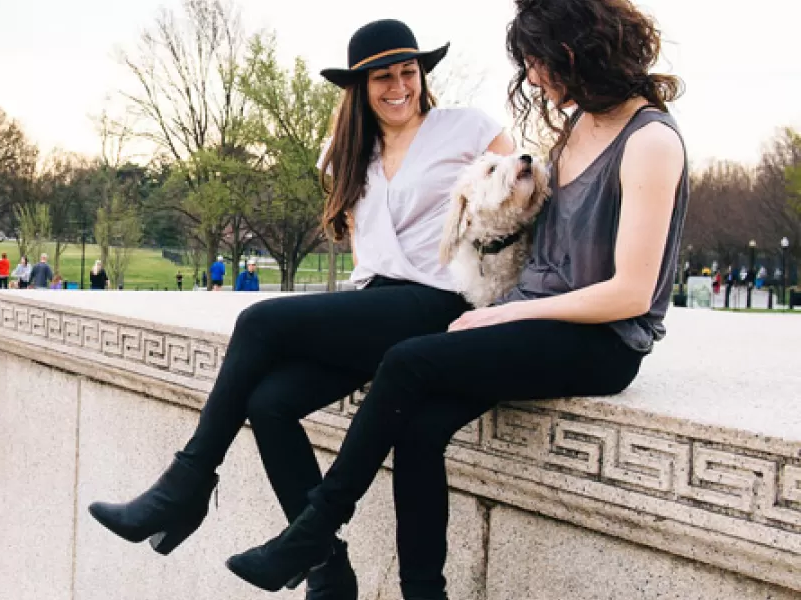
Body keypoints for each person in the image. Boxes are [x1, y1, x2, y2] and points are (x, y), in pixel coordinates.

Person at [218, 4, 689, 598]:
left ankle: (311, 533)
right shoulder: (578, 129)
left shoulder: (649, 140)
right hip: (536, 319)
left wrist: (506, 312)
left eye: (540, 63)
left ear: (579, 51)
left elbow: (632, 292)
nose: (535, 78)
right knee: (417, 429)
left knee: (409, 360)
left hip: (602, 340)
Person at [85, 18, 514, 600]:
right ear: (360, 87)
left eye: (408, 71)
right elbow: (368, 255)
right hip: (377, 304)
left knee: (259, 320)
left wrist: (507, 308)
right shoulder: (343, 156)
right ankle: (328, 569)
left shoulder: (469, 128)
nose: (399, 86)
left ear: (422, 75)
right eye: (383, 76)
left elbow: (518, 209)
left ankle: (183, 487)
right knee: (270, 402)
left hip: (440, 300)